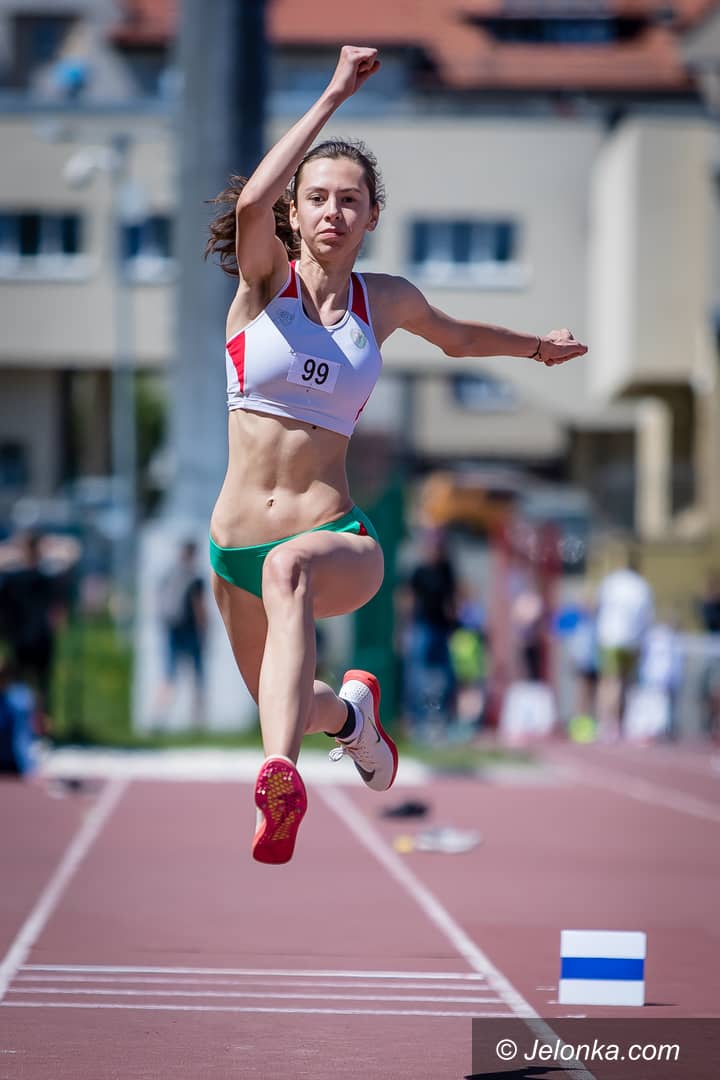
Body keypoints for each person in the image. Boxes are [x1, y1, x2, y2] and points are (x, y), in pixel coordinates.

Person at [204, 45, 587, 864]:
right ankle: (353, 719)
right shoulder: (263, 284)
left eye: (350, 200)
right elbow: (252, 204)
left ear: (372, 216)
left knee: (290, 572)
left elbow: (458, 339)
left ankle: (280, 781)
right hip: (233, 551)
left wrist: (535, 348)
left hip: (336, 540)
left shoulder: (382, 303)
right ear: (293, 214)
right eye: (317, 198)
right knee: (290, 700)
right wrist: (334, 93)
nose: (333, 213)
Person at [0, 531, 67, 728]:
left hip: (22, 637)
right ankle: (39, 726)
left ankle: (23, 725)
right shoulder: (46, 578)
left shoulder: (14, 578)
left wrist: (12, 551)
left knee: (20, 685)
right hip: (39, 637)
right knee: (41, 686)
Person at [404, 529, 458, 740]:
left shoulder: (446, 570)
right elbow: (409, 599)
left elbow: (452, 601)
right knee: (418, 674)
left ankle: (441, 717)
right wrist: (406, 628)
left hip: (442, 629)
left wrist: (454, 625)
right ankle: (418, 718)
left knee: (445, 675)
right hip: (423, 626)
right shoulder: (420, 571)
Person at [595, 551, 654, 740]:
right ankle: (620, 723)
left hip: (608, 636)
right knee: (625, 682)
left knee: (609, 681)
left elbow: (598, 606)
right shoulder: (642, 586)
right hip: (631, 639)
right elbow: (646, 617)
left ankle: (606, 722)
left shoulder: (611, 582)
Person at [154, 540, 207, 729]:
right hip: (191, 631)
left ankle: (159, 718)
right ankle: (197, 722)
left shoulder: (169, 575)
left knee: (168, 675)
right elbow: (199, 608)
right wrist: (205, 630)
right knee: (197, 677)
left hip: (172, 630)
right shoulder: (195, 579)